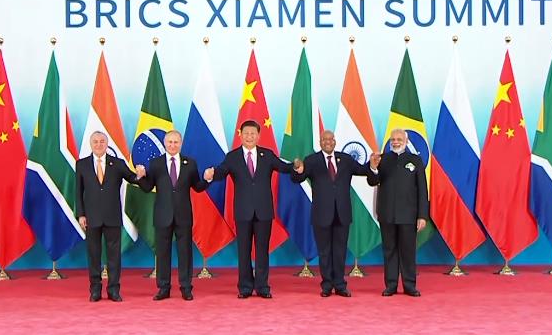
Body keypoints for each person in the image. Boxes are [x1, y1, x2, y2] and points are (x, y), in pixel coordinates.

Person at [204, 120, 299, 299]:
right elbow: (221, 171)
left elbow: (283, 167)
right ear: (240, 135)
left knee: (262, 250)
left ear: (258, 136)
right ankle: (245, 287)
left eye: (253, 134)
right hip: (243, 211)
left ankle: (262, 287)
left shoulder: (267, 155)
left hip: (264, 210)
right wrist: (212, 174)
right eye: (246, 133)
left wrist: (295, 166)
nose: (249, 137)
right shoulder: (232, 157)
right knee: (244, 251)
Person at [292, 130, 381, 297]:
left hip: (342, 213)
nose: (328, 141)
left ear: (335, 141)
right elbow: (298, 178)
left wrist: (372, 166)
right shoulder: (311, 160)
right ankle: (327, 285)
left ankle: (340, 285)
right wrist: (298, 170)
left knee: (340, 251)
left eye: (330, 139)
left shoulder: (346, 159)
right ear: (320, 142)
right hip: (321, 214)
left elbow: (363, 170)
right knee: (324, 252)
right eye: (324, 139)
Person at [136, 130, 209, 301]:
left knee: (185, 253)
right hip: (163, 215)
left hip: (183, 215)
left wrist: (207, 179)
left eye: (176, 142)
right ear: (165, 143)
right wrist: (140, 177)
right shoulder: (156, 163)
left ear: (181, 144)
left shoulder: (190, 163)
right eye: (170, 142)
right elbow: (147, 187)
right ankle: (163, 288)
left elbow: (197, 187)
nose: (173, 145)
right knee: (162, 253)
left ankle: (186, 287)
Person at [76, 131, 145, 303]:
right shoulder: (82, 164)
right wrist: (81, 214)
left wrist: (140, 174)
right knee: (93, 255)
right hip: (91, 217)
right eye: (95, 141)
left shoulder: (118, 163)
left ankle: (114, 290)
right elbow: (78, 192)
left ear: (107, 144)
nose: (99, 144)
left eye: (102, 141)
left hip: (112, 216)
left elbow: (132, 178)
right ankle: (95, 290)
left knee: (114, 256)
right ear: (91, 144)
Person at [367, 128, 428, 297]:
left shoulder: (415, 160)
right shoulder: (382, 160)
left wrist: (422, 215)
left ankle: (410, 285)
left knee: (408, 252)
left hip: (409, 215)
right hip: (387, 214)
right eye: (393, 139)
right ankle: (391, 285)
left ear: (406, 141)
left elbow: (422, 190)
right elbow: (372, 181)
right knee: (389, 251)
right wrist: (373, 168)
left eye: (399, 139)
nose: (395, 142)